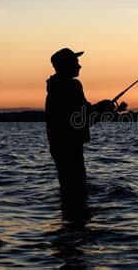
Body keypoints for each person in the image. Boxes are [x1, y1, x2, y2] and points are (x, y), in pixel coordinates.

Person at [45, 48, 124, 214]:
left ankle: (70, 226)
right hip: (69, 148)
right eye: (76, 62)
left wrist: (109, 110)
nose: (79, 66)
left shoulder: (56, 87)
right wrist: (104, 107)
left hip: (60, 147)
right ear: (66, 66)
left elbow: (82, 118)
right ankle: (76, 226)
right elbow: (82, 119)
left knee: (69, 191)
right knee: (77, 192)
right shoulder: (71, 86)